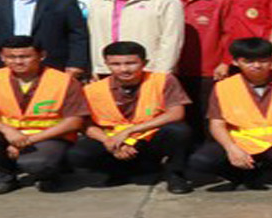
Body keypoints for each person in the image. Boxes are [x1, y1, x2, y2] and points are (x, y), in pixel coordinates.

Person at [188, 38, 272, 191]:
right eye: (248, 61)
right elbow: (217, 124)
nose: (257, 65)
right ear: (235, 62)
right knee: (201, 161)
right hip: (244, 142)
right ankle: (246, 177)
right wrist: (231, 149)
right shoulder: (224, 87)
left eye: (263, 60)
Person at [69, 41, 194, 193]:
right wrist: (108, 141)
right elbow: (86, 124)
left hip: (149, 138)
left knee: (179, 131)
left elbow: (176, 113)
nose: (124, 69)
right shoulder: (92, 90)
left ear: (144, 63)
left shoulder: (163, 80)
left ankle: (175, 174)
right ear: (106, 64)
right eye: (116, 64)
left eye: (131, 63)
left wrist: (129, 131)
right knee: (78, 155)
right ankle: (119, 171)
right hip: (114, 140)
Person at [0, 36, 90, 194]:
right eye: (11, 57)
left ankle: (52, 173)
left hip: (49, 137)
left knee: (36, 164)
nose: (18, 62)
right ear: (2, 57)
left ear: (42, 56)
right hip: (10, 134)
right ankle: (2, 178)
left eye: (25, 56)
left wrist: (28, 141)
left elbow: (74, 122)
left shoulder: (64, 80)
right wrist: (7, 130)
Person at [86, 0, 183, 76]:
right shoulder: (98, 2)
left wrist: (162, 72)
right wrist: (96, 69)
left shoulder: (165, 1)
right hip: (107, 70)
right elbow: (94, 39)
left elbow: (172, 40)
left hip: (148, 70)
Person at [174, 0, 232, 131]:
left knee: (209, 114)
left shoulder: (224, 0)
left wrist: (225, 62)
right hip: (177, 68)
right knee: (182, 116)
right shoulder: (171, 0)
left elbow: (231, 34)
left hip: (211, 69)